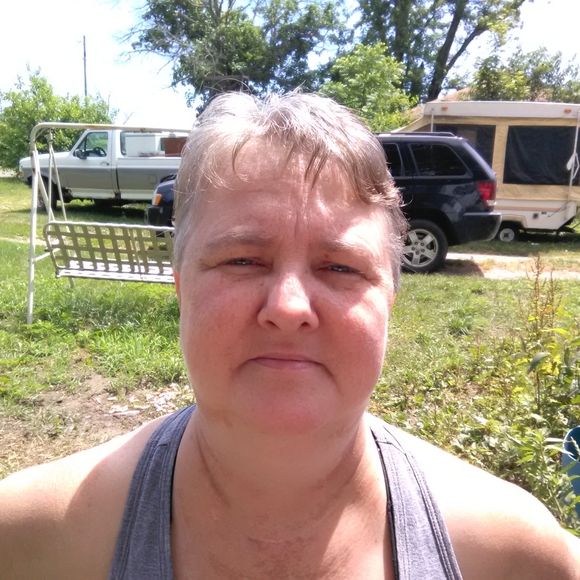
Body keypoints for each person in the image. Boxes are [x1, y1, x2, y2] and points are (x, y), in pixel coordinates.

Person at [0, 92, 578, 580]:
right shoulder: (32, 539)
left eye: (341, 267)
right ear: (182, 287)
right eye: (242, 260)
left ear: (390, 300)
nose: (288, 307)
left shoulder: (513, 555)